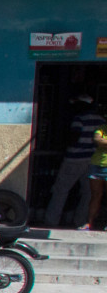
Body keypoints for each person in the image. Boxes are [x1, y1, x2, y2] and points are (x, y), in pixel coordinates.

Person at [45, 94, 105, 227]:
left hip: (74, 159)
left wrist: (62, 145)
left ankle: (51, 220)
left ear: (83, 105)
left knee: (61, 190)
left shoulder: (79, 119)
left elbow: (73, 138)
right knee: (88, 192)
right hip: (91, 161)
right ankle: (80, 221)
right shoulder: (101, 121)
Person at [85, 121, 107, 231]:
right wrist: (101, 141)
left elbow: (101, 141)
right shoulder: (102, 128)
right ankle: (89, 223)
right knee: (96, 195)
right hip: (97, 165)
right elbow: (97, 139)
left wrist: (103, 142)